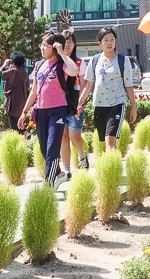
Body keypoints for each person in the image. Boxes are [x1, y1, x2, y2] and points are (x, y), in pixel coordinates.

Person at [19, 32, 79, 185]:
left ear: (55, 46)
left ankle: (49, 185)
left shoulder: (62, 64)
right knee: (44, 149)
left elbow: (74, 71)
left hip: (57, 110)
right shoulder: (40, 65)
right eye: (41, 44)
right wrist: (24, 112)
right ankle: (59, 174)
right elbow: (34, 91)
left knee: (52, 148)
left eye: (46, 45)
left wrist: (62, 53)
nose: (42, 48)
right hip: (40, 110)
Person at [77, 26, 137, 151]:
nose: (109, 43)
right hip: (99, 105)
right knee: (104, 139)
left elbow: (129, 86)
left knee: (110, 139)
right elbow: (89, 85)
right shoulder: (94, 61)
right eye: (106, 40)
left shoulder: (123, 60)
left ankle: (113, 169)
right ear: (100, 43)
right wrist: (79, 104)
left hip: (117, 104)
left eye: (112, 39)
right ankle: (109, 166)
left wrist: (133, 108)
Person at [60, 30, 90, 178]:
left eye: (70, 41)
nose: (67, 44)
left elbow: (84, 86)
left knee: (74, 136)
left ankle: (82, 156)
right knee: (63, 137)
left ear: (74, 44)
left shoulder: (79, 62)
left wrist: (81, 104)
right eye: (65, 41)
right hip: (59, 106)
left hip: (75, 105)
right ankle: (66, 169)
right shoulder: (57, 63)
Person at [0, 52, 30, 130]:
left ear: (13, 62)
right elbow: (27, 86)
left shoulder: (13, 71)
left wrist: (4, 65)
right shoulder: (25, 72)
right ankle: (25, 133)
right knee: (19, 121)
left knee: (13, 124)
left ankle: (18, 137)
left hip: (13, 100)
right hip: (23, 100)